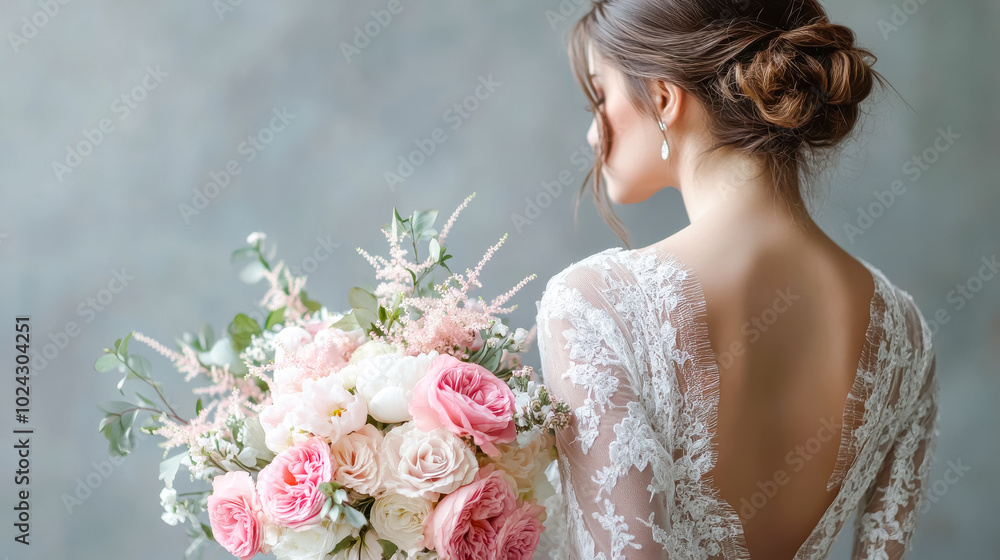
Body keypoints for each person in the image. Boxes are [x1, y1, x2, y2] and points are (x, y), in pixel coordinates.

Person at [534, 1, 940, 558]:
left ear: (662, 98)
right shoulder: (906, 333)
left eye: (599, 97)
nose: (590, 136)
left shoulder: (593, 306)